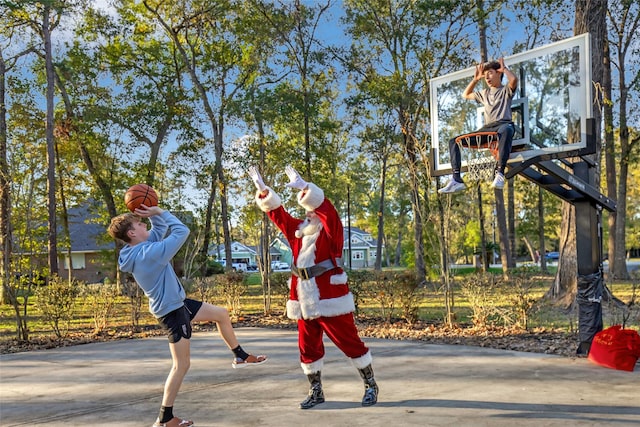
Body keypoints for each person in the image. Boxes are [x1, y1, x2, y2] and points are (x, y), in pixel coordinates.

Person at [108, 205, 267, 427]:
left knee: (221, 314)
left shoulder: (140, 248)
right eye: (139, 224)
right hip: (171, 312)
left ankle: (240, 356)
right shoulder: (149, 254)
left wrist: (153, 214)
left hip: (179, 303)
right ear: (132, 233)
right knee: (181, 365)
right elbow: (181, 231)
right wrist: (161, 211)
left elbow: (160, 227)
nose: (144, 224)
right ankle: (164, 419)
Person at [248, 165, 378, 409]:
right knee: (307, 348)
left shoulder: (331, 234)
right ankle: (316, 391)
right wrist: (264, 191)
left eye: (311, 211)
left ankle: (370, 384)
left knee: (350, 343)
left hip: (330, 299)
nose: (306, 214)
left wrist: (307, 189)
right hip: (303, 300)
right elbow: (279, 215)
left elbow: (329, 212)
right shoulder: (298, 232)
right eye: (306, 212)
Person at [439, 57, 519, 194]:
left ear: (499, 73)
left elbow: (514, 80)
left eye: (491, 73)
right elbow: (466, 94)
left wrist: (504, 68)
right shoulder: (484, 93)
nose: (487, 77)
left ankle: (500, 173)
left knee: (506, 129)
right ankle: (456, 179)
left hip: (503, 125)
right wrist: (475, 79)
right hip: (488, 129)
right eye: (485, 74)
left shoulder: (506, 90)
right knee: (454, 141)